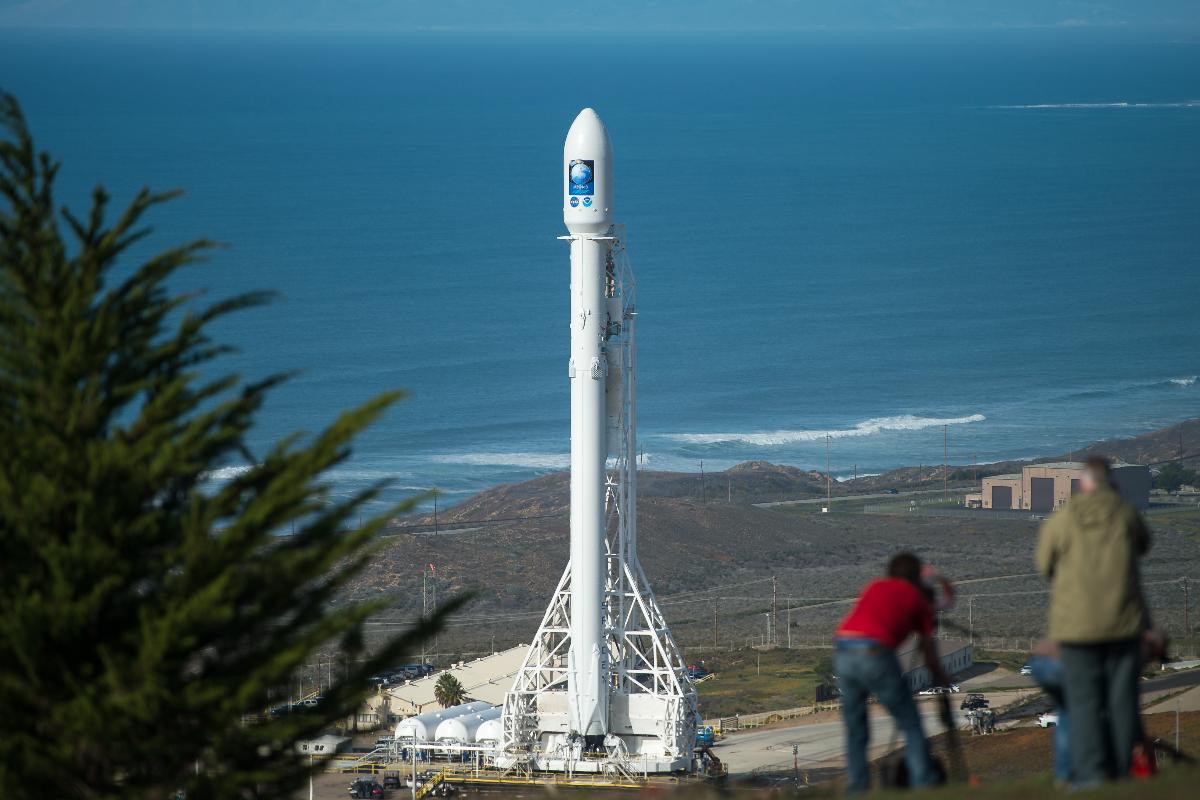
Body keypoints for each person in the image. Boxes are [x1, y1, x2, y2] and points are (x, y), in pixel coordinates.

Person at [1036, 456, 1151, 787]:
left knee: (1083, 702)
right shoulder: (1126, 513)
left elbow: (1044, 564)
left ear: (1082, 485)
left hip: (1075, 627)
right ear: (1111, 483)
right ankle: (1120, 770)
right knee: (1122, 699)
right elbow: (1144, 545)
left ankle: (1090, 777)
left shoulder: (1062, 519)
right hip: (1123, 622)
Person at [835, 552, 953, 794]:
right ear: (915, 578)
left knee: (856, 728)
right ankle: (923, 784)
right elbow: (929, 649)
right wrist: (941, 676)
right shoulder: (917, 599)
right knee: (911, 724)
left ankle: (857, 790)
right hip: (875, 653)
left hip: (844, 649)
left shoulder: (874, 586)